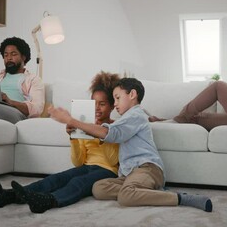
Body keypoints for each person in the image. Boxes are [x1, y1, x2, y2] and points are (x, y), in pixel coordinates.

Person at [48, 77, 213, 212]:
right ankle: (147, 191)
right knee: (98, 188)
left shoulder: (136, 115)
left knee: (126, 197)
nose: (115, 104)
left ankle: (180, 198)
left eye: (117, 98)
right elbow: (109, 132)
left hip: (147, 168)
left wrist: (71, 120)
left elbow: (110, 133)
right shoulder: (126, 119)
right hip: (128, 174)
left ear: (132, 94)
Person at [0, 71, 121, 214]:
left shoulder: (116, 128)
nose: (97, 108)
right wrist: (74, 138)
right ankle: (8, 196)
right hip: (87, 166)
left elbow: (112, 161)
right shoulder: (83, 126)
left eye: (102, 104)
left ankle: (48, 200)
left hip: (108, 171)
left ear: (112, 106)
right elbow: (78, 162)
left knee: (78, 183)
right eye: (94, 103)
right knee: (56, 178)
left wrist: (99, 135)